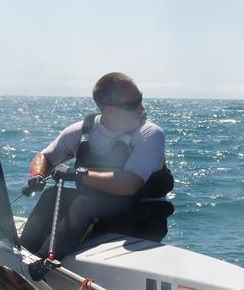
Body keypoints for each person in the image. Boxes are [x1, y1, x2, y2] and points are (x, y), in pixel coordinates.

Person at [19, 72, 173, 260]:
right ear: (109, 110)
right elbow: (45, 156)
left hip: (143, 216)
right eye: (133, 104)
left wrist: (77, 175)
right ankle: (18, 259)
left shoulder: (150, 134)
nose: (141, 108)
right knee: (51, 195)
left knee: (85, 203)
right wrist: (38, 175)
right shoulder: (80, 131)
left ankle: (41, 262)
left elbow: (129, 184)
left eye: (140, 99)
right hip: (101, 211)